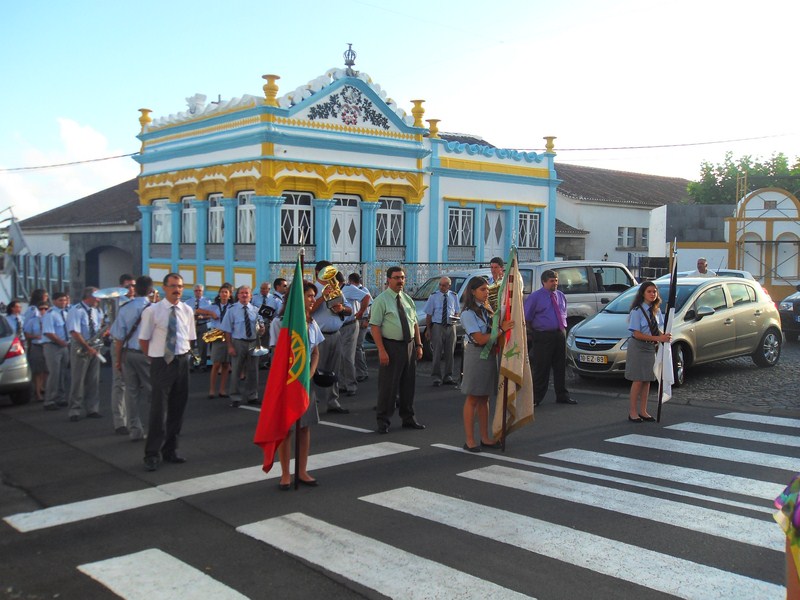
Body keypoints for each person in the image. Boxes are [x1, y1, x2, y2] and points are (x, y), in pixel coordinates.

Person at [139, 273, 196, 471]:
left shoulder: (187, 310)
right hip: (161, 362)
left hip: (181, 361)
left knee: (177, 408)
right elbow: (143, 339)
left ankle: (170, 449)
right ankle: (152, 453)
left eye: (180, 286)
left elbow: (189, 338)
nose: (177, 290)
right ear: (164, 288)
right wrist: (153, 358)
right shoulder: (152, 311)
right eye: (173, 286)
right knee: (158, 410)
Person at [277, 280, 322, 490]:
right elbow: (277, 354)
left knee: (304, 428)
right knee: (286, 429)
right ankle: (285, 473)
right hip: (287, 382)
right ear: (298, 298)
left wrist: (309, 374)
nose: (313, 299)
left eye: (313, 295)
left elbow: (316, 352)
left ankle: (302, 470)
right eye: (309, 296)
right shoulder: (281, 323)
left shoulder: (312, 323)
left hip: (305, 382)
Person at [459, 276, 513, 452]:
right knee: (473, 397)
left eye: (487, 289)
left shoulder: (487, 309)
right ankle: (469, 440)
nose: (486, 293)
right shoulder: (468, 313)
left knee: (484, 398)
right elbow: (480, 339)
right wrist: (502, 329)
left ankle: (485, 437)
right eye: (482, 290)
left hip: (489, 355)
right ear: (473, 291)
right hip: (476, 355)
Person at [370, 265, 425, 433]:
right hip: (391, 346)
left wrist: (419, 344)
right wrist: (381, 350)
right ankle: (383, 421)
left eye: (402, 278)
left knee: (408, 385)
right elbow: (375, 326)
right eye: (396, 278)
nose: (400, 281)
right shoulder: (381, 300)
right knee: (388, 386)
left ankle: (408, 418)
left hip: (409, 345)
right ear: (388, 280)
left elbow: (414, 323)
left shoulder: (407, 299)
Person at [523, 269, 575, 406]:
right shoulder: (535, 297)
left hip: (559, 334)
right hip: (543, 335)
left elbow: (563, 312)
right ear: (544, 282)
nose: (555, 283)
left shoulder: (560, 295)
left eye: (556, 281)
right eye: (551, 281)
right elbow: (527, 317)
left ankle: (562, 395)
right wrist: (533, 332)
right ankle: (535, 398)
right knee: (542, 367)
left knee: (560, 366)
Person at [110, 276, 153, 441]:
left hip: (128, 353)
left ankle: (135, 430)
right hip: (147, 354)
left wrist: (118, 359)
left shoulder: (125, 308)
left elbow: (119, 338)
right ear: (150, 290)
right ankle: (157, 427)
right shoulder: (154, 308)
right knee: (153, 391)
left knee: (131, 392)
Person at [625, 281, 671, 422]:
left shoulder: (656, 310)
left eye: (654, 291)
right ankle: (633, 412)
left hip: (650, 347)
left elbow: (656, 329)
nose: (652, 294)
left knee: (647, 380)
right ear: (643, 294)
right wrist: (658, 338)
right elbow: (637, 334)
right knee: (638, 380)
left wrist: (665, 336)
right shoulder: (637, 311)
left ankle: (643, 411)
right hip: (638, 347)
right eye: (649, 291)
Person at [311, 261, 353, 414]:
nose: (328, 275)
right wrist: (323, 297)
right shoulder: (312, 289)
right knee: (316, 370)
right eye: (325, 271)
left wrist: (341, 308)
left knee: (334, 370)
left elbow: (350, 310)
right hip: (319, 336)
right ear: (317, 272)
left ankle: (332, 401)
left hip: (336, 334)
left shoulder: (336, 289)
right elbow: (308, 310)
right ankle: (312, 402)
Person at [220, 285, 263, 408]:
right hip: (238, 342)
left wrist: (262, 329)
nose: (244, 295)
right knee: (236, 371)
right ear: (238, 295)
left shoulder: (256, 310)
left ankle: (252, 396)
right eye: (242, 293)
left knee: (253, 371)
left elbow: (260, 329)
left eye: (247, 293)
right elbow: (227, 330)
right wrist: (230, 346)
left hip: (253, 342)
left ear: (250, 296)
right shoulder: (232, 310)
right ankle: (235, 397)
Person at [66, 287, 104, 421]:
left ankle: (92, 409)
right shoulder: (76, 310)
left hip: (94, 345)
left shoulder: (97, 310)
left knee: (93, 380)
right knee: (78, 379)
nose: (99, 300)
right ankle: (74, 410)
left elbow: (98, 328)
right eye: (97, 297)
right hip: (81, 345)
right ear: (89, 296)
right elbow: (74, 332)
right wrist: (87, 347)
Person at [110, 274, 136, 434]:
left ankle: (132, 420)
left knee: (133, 385)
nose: (131, 289)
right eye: (127, 286)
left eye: (133, 286)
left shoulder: (138, 302)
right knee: (119, 383)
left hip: (134, 347)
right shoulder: (115, 304)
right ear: (120, 288)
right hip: (119, 345)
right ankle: (120, 422)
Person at [338, 271, 371, 396]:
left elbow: (366, 297)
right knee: (341, 356)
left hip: (349, 325)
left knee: (347, 356)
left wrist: (361, 312)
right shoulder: (336, 291)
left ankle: (351, 385)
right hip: (340, 327)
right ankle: (342, 384)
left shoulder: (349, 288)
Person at [423, 276, 459, 386]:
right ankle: (436, 377)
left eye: (444, 285)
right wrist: (428, 329)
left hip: (450, 326)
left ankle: (448, 376)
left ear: (449, 286)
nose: (441, 287)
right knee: (437, 352)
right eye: (440, 285)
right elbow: (429, 315)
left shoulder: (454, 296)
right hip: (438, 326)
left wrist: (455, 317)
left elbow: (457, 311)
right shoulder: (433, 296)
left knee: (450, 353)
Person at [42, 292, 71, 411]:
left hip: (64, 346)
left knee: (62, 373)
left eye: (64, 300)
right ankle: (49, 400)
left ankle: (60, 397)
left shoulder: (65, 313)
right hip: (52, 346)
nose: (63, 302)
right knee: (54, 373)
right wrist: (61, 342)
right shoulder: (50, 314)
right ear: (54, 301)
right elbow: (48, 332)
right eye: (60, 300)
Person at [207, 284, 234, 399]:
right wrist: (210, 313)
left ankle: (222, 389)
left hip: (228, 335)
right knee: (216, 363)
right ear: (219, 294)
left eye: (226, 292)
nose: (223, 294)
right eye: (222, 292)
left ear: (229, 295)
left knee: (226, 364)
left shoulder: (232, 307)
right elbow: (197, 310)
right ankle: (212, 389)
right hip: (217, 336)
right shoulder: (214, 306)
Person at [24, 302, 50, 401]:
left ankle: (45, 389)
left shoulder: (50, 319)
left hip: (47, 345)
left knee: (47, 370)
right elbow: (27, 334)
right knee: (38, 371)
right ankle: (38, 393)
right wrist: (35, 336)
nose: (43, 311)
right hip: (37, 346)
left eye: (45, 309)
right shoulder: (33, 321)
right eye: (41, 309)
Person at [348, 273, 371, 383]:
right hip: (356, 319)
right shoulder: (352, 290)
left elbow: (371, 305)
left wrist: (367, 320)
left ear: (351, 281)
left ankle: (362, 372)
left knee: (358, 346)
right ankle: (358, 370)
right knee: (356, 347)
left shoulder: (363, 290)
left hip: (363, 319)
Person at [188, 283, 214, 371]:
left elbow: (211, 315)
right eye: (196, 291)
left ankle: (202, 365)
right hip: (191, 325)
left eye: (200, 291)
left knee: (202, 347)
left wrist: (202, 317)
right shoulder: (188, 302)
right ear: (193, 291)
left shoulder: (207, 302)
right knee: (190, 347)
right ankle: (190, 366)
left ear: (202, 291)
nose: (198, 292)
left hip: (202, 325)